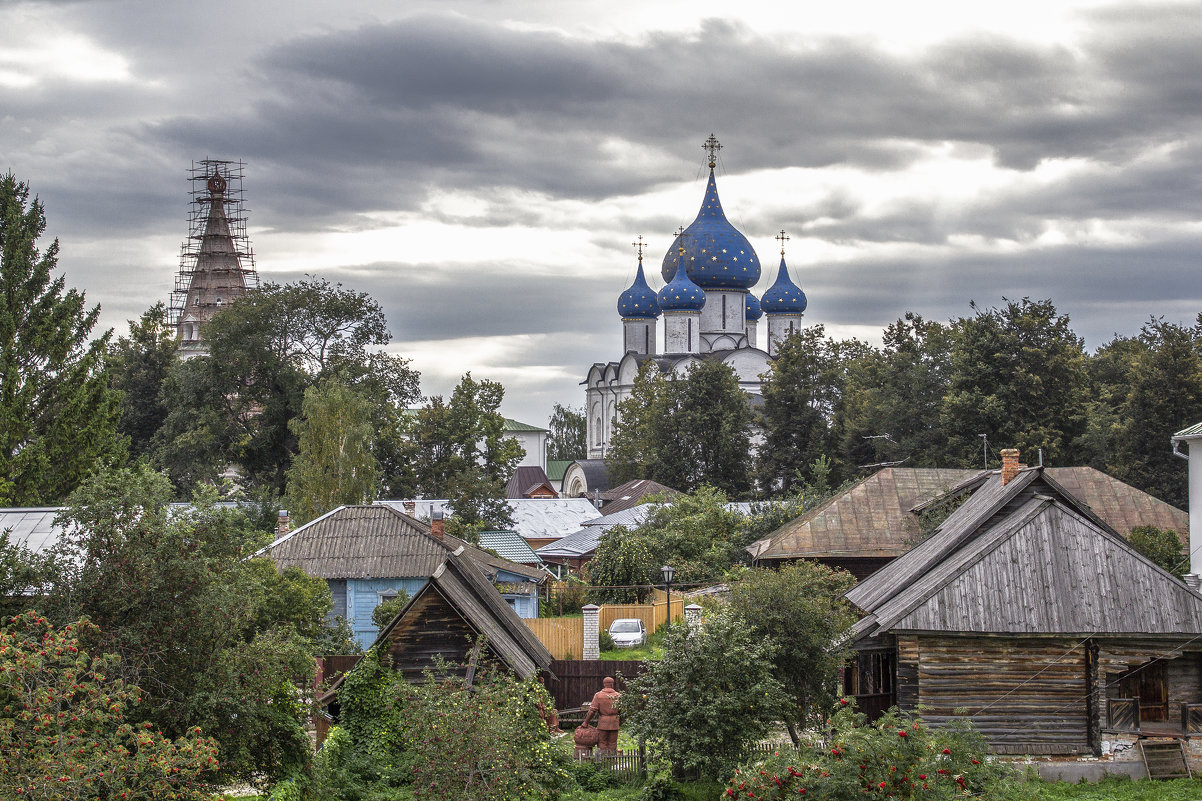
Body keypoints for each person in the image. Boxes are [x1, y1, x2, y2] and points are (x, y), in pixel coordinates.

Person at [582, 676, 621, 755]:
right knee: (613, 742)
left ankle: (603, 760)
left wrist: (586, 722)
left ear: (604, 684)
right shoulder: (619, 696)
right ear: (612, 685)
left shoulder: (598, 695)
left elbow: (592, 710)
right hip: (614, 722)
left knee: (602, 742)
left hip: (603, 722)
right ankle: (612, 760)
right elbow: (622, 710)